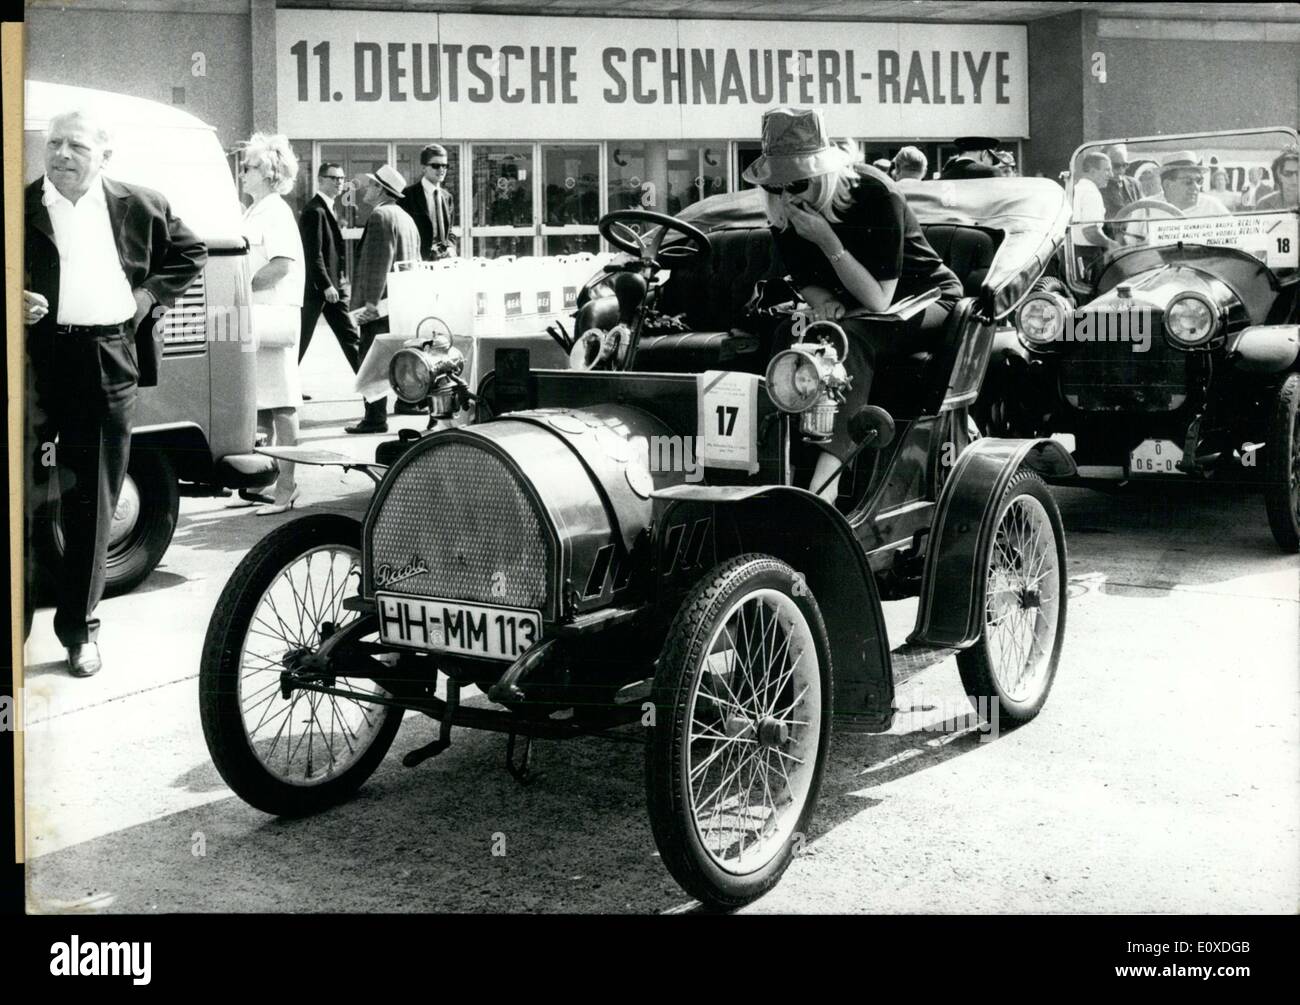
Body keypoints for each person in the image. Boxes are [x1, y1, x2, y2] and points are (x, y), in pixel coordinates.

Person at [23, 108, 206, 676]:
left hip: (106, 359)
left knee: (92, 502)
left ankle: (79, 632)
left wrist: (148, 298)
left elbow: (190, 252)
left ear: (105, 153)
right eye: (54, 144)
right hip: (32, 360)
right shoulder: (20, 204)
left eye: (76, 145)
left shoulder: (140, 204)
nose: (61, 155)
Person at [744, 107, 962, 502]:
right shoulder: (784, 208)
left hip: (927, 298)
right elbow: (804, 278)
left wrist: (827, 240)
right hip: (855, 304)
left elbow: (880, 299)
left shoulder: (876, 192)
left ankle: (826, 487)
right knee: (785, 334)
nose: (788, 196)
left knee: (846, 339)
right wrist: (822, 300)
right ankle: (775, 469)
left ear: (823, 173)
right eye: (777, 187)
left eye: (798, 184)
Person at [239, 133, 306, 515]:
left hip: (273, 314)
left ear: (267, 173)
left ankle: (287, 487)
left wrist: (240, 287)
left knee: (281, 403)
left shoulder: (276, 211)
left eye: (247, 167)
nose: (242, 174)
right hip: (255, 315)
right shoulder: (254, 211)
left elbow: (281, 265)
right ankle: (264, 480)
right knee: (261, 400)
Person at [345, 165, 422, 435]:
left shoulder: (380, 216)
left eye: (372, 184)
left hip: (380, 306)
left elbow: (378, 264)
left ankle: (374, 418)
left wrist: (369, 305)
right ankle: (400, 405)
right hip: (400, 304)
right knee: (396, 360)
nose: (367, 188)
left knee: (372, 360)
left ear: (381, 190)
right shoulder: (405, 218)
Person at [298, 162, 361, 378]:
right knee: (301, 340)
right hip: (320, 290)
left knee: (350, 336)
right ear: (321, 180)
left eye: (342, 179)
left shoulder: (329, 208)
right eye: (333, 178)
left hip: (331, 288)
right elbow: (312, 253)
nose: (339, 183)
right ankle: (285, 388)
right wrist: (326, 284)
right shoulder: (315, 211)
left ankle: (368, 385)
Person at [399, 143, 458, 262]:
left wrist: (451, 249)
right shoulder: (407, 195)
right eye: (436, 165)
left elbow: (449, 232)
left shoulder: (447, 197)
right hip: (418, 262)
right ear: (424, 168)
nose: (441, 169)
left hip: (443, 263)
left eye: (445, 165)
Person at [1070, 151, 1117, 278]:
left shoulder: (1078, 188)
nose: (1111, 175)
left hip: (1074, 254)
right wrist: (1112, 245)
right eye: (1107, 170)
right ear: (1092, 171)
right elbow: (1090, 231)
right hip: (1087, 256)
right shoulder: (1091, 193)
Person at [1158, 151, 1231, 215]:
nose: (1196, 187)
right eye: (1188, 181)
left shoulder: (1212, 206)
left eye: (1199, 181)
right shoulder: (1149, 207)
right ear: (1167, 185)